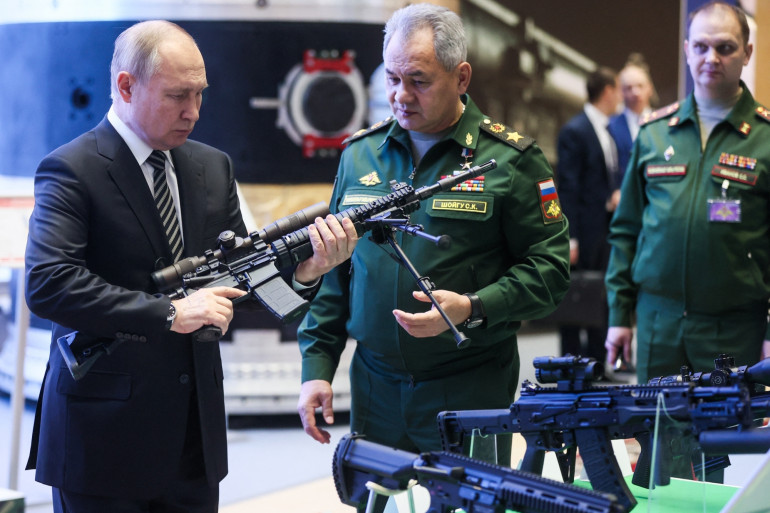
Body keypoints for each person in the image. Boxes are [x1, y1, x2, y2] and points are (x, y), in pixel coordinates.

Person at [24, 20, 357, 513]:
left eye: (200, 94)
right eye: (178, 95)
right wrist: (169, 313)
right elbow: (48, 284)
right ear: (125, 86)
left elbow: (238, 283)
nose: (194, 112)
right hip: (102, 442)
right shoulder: (72, 169)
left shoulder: (210, 166)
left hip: (192, 445)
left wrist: (307, 271)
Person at [296, 2, 570, 464]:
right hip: (375, 386)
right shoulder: (360, 155)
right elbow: (335, 270)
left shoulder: (512, 161)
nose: (400, 95)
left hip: (469, 385)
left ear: (461, 78)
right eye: (392, 78)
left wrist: (472, 307)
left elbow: (550, 271)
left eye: (418, 81)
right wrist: (317, 368)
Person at [605, 1, 770, 385]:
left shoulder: (765, 138)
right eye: (700, 46)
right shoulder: (654, 132)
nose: (711, 57)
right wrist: (619, 316)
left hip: (734, 327)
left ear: (747, 53)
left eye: (725, 47)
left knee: (726, 443)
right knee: (661, 441)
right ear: (686, 50)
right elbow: (626, 231)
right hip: (658, 324)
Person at [555, 67, 621, 362]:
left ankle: (596, 362)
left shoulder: (607, 130)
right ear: (608, 91)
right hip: (581, 232)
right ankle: (570, 365)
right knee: (575, 298)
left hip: (602, 230)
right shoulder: (575, 130)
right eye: (618, 90)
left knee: (597, 297)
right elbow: (567, 189)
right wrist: (570, 238)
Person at [608, 54, 657, 183]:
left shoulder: (662, 124)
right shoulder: (610, 126)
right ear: (621, 91)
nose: (635, 92)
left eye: (640, 86)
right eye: (629, 88)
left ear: (650, 88)